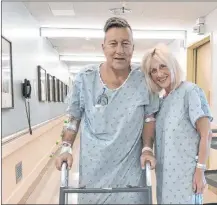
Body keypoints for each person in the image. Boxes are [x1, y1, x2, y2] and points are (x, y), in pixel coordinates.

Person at [55, 17, 158, 204]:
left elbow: (149, 118)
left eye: (125, 44)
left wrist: (147, 149)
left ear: (133, 48)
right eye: (113, 44)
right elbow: (73, 118)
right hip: (94, 172)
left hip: (131, 173)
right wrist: (66, 147)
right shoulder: (85, 79)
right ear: (103, 47)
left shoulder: (144, 80)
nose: (119, 50)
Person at [140, 44, 213, 204]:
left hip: (187, 177)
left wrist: (200, 171)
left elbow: (206, 135)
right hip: (164, 178)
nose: (159, 74)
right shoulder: (161, 102)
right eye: (153, 70)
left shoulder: (190, 92)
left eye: (162, 66)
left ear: (172, 65)